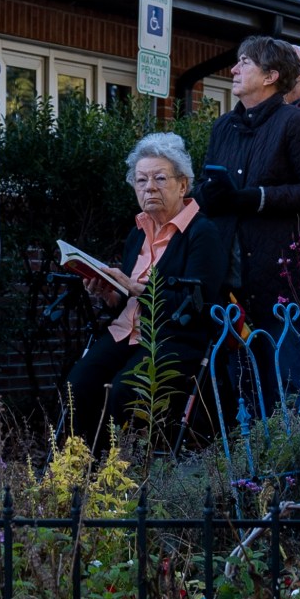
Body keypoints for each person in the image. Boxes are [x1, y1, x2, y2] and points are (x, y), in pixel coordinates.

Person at [63, 134, 238, 444]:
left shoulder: (202, 233)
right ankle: (77, 471)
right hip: (126, 333)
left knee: (124, 392)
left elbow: (197, 305)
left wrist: (135, 287)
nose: (149, 187)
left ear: (183, 185)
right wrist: (109, 293)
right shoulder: (137, 233)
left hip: (174, 338)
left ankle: (115, 473)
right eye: (141, 180)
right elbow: (126, 303)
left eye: (160, 178)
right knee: (77, 385)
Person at [198, 35, 300, 361]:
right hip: (229, 287)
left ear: (271, 76)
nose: (233, 69)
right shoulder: (224, 127)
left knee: (288, 392)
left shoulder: (296, 123)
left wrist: (257, 197)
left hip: (280, 286)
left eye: (244, 62)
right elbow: (205, 189)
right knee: (239, 391)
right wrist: (208, 193)